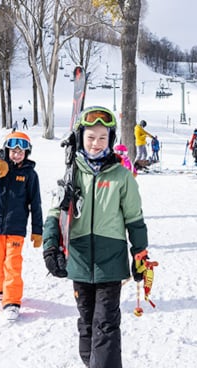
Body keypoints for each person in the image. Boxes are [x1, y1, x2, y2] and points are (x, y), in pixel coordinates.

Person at [42, 106, 149, 368]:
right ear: (81, 138)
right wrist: (49, 247)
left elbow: (135, 219)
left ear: (110, 140)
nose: (96, 143)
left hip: (110, 262)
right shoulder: (71, 174)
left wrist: (140, 255)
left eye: (102, 138)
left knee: (106, 323)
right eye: (90, 137)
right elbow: (55, 213)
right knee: (86, 322)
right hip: (77, 260)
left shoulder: (122, 177)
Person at [0, 131, 43, 321]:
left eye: (21, 152)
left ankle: (11, 302)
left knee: (13, 264)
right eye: (13, 150)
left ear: (26, 154)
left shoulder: (30, 175)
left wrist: (37, 230)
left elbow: (35, 204)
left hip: (16, 229)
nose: (17, 154)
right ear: (6, 150)